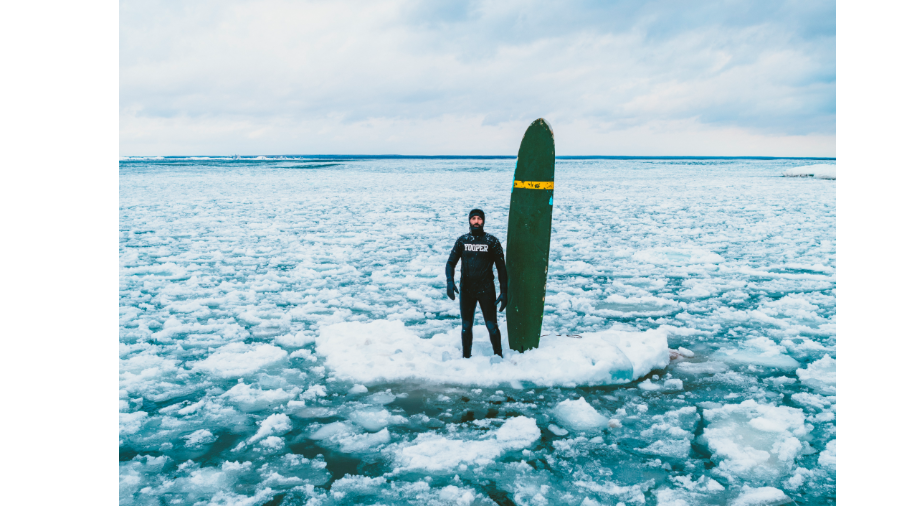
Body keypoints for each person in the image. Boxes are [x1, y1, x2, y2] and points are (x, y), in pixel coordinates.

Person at [445, 209, 508, 358]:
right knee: (466, 326)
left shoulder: (492, 241)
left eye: (479, 218)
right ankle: (466, 357)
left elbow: (501, 268)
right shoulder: (462, 241)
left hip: (486, 290)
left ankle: (499, 356)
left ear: (483, 221)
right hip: (467, 290)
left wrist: (504, 291)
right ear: (469, 221)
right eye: (473, 218)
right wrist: (449, 281)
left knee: (492, 326)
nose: (476, 221)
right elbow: (450, 263)